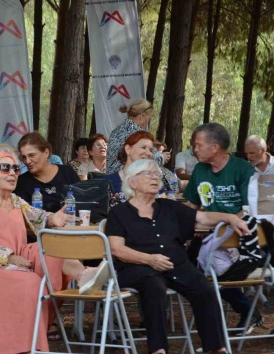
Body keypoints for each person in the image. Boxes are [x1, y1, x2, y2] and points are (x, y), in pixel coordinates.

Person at [0, 144, 109, 354]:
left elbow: (39, 217)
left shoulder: (14, 200)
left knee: (51, 250)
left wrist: (53, 218)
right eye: (5, 168)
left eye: (16, 169)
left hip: (17, 257)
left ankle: (85, 276)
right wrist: (8, 257)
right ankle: (27, 347)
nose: (13, 173)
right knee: (31, 282)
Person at [107, 159, 245, 354]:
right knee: (153, 286)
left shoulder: (169, 206)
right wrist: (150, 259)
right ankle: (158, 350)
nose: (155, 177)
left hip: (176, 264)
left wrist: (229, 217)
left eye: (156, 174)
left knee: (204, 289)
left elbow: (203, 218)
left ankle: (216, 348)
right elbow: (117, 249)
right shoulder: (119, 213)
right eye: (148, 174)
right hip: (138, 267)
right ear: (132, 182)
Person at [183, 123, 264, 332]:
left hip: (238, 237)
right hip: (208, 235)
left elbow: (249, 209)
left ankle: (234, 316)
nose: (195, 149)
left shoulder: (243, 169)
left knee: (203, 268)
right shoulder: (201, 170)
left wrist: (220, 225)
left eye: (199, 144)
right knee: (192, 267)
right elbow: (191, 206)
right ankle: (245, 313)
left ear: (215, 146)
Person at [14, 132, 80, 212]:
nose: (27, 161)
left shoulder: (67, 173)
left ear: (46, 153)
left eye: (32, 155)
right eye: (24, 157)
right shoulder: (22, 182)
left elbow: (83, 203)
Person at [107, 99, 168, 174]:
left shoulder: (115, 131)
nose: (147, 122)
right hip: (128, 179)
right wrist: (162, 157)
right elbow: (151, 157)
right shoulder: (139, 136)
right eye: (148, 118)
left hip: (111, 178)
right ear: (142, 117)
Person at [106, 131, 155, 205]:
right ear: (128, 149)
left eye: (151, 150)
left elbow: (165, 212)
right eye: (143, 147)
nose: (148, 153)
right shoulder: (108, 182)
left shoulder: (154, 181)